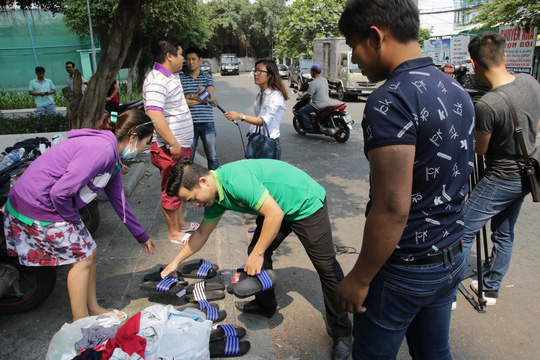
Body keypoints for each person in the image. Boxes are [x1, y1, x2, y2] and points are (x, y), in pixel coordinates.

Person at [336, 1, 475, 358]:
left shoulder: (390, 99)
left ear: (375, 36)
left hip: (404, 269)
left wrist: (360, 278)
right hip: (452, 257)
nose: (354, 59)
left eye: (353, 46)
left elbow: (392, 206)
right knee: (434, 352)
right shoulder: (457, 90)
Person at [161, 159, 352, 360]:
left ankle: (342, 332)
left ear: (203, 181)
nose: (195, 205)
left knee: (326, 267)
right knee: (256, 249)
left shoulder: (236, 181)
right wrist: (176, 262)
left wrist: (258, 253)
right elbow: (200, 234)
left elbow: (274, 214)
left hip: (304, 202)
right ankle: (265, 305)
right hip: (277, 206)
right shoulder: (215, 199)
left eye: (193, 198)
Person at [2, 109, 157, 321]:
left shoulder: (111, 156)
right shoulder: (101, 150)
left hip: (47, 202)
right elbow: (60, 193)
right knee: (82, 258)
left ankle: (93, 309)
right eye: (145, 142)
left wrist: (142, 236)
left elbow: (119, 201)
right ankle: (81, 321)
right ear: (132, 137)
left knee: (89, 251)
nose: (144, 149)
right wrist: (73, 220)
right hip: (35, 205)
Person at [461, 32, 540, 306]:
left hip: (501, 178)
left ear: (474, 64)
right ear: (504, 56)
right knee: (504, 232)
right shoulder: (531, 82)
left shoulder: (488, 104)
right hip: (528, 174)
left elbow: (480, 149)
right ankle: (491, 288)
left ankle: (446, 295)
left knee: (462, 229)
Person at [143, 37, 199, 244]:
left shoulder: (170, 76)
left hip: (180, 145)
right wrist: (173, 142)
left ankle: (182, 223)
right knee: (170, 188)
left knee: (180, 184)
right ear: (169, 56)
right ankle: (174, 232)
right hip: (170, 147)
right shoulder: (156, 80)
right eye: (181, 54)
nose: (184, 58)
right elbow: (154, 115)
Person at [224, 59, 288, 160]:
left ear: (270, 74)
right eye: (255, 70)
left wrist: (241, 116)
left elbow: (263, 121)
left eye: (259, 71)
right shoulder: (261, 94)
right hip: (257, 140)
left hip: (268, 143)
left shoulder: (275, 96)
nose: (255, 74)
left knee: (266, 175)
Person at [180, 47, 219, 170]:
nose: (191, 62)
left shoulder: (207, 77)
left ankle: (216, 184)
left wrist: (190, 96)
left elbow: (209, 96)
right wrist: (201, 97)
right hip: (188, 124)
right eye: (188, 59)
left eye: (194, 59)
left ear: (200, 60)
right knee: (188, 158)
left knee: (212, 156)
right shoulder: (181, 78)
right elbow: (180, 101)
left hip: (207, 123)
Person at [297, 64, 330, 131]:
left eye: (311, 71)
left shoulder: (313, 83)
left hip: (317, 105)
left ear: (314, 72)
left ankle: (309, 127)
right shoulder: (324, 80)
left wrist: (300, 98)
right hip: (327, 103)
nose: (310, 72)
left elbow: (308, 95)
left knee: (301, 112)